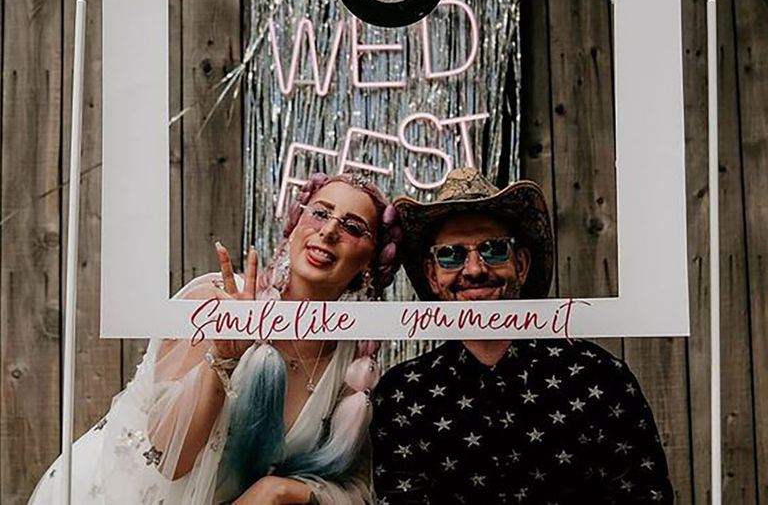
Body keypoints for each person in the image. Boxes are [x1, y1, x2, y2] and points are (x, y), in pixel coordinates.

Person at [29, 172, 401, 505]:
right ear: (294, 227)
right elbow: (168, 460)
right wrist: (222, 357)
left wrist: (282, 490)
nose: (329, 230)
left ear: (371, 261)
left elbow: (354, 485)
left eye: (353, 227)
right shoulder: (217, 299)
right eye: (320, 212)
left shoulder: (350, 362)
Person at [371, 167, 673, 504]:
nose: (474, 269)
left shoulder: (600, 376)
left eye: (494, 250)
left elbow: (645, 494)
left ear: (522, 264)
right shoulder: (403, 392)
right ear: (432, 275)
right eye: (451, 254)